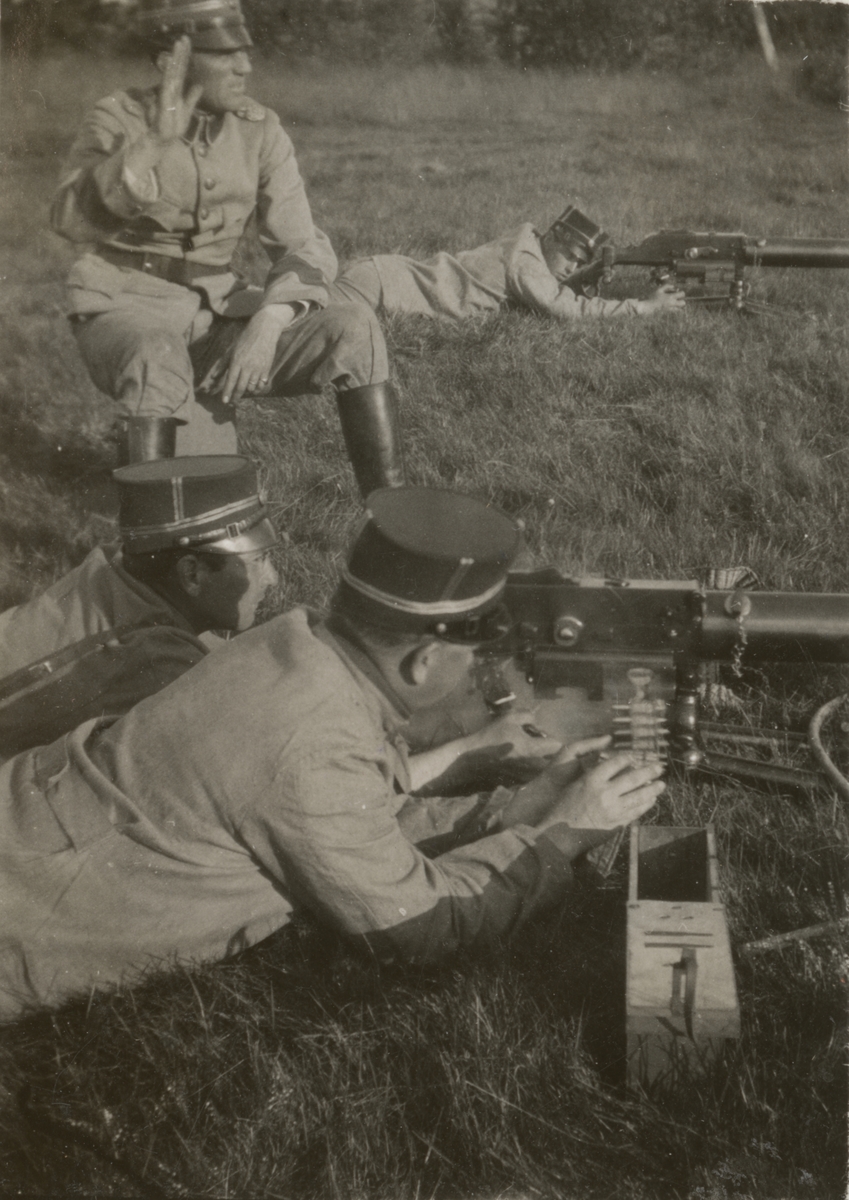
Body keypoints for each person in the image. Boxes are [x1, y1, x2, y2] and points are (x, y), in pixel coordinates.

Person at [0, 487, 664, 1020]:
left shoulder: (290, 645)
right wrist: (561, 835)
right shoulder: (312, 751)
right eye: (473, 658)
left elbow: (345, 806)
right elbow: (423, 925)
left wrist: (511, 800)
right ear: (424, 658)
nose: (478, 673)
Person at [49, 0, 403, 497]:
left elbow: (303, 243)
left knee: (353, 326)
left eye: (245, 52)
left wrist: (270, 320)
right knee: (159, 365)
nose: (245, 67)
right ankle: (146, 540)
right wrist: (153, 144)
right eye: (224, 54)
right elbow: (68, 220)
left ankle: (387, 516)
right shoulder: (119, 117)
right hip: (123, 308)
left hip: (217, 317)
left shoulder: (260, 128)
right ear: (171, 61)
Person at [0, 455, 278, 757]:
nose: (272, 578)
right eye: (258, 560)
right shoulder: (160, 665)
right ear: (191, 574)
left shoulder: (111, 567)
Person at [330, 205, 686, 323]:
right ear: (554, 238)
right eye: (571, 258)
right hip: (380, 287)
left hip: (383, 276)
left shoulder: (526, 243)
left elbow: (546, 286)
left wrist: (586, 274)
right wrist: (644, 306)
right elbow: (568, 309)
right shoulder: (525, 263)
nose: (570, 267)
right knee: (307, 322)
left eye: (578, 262)